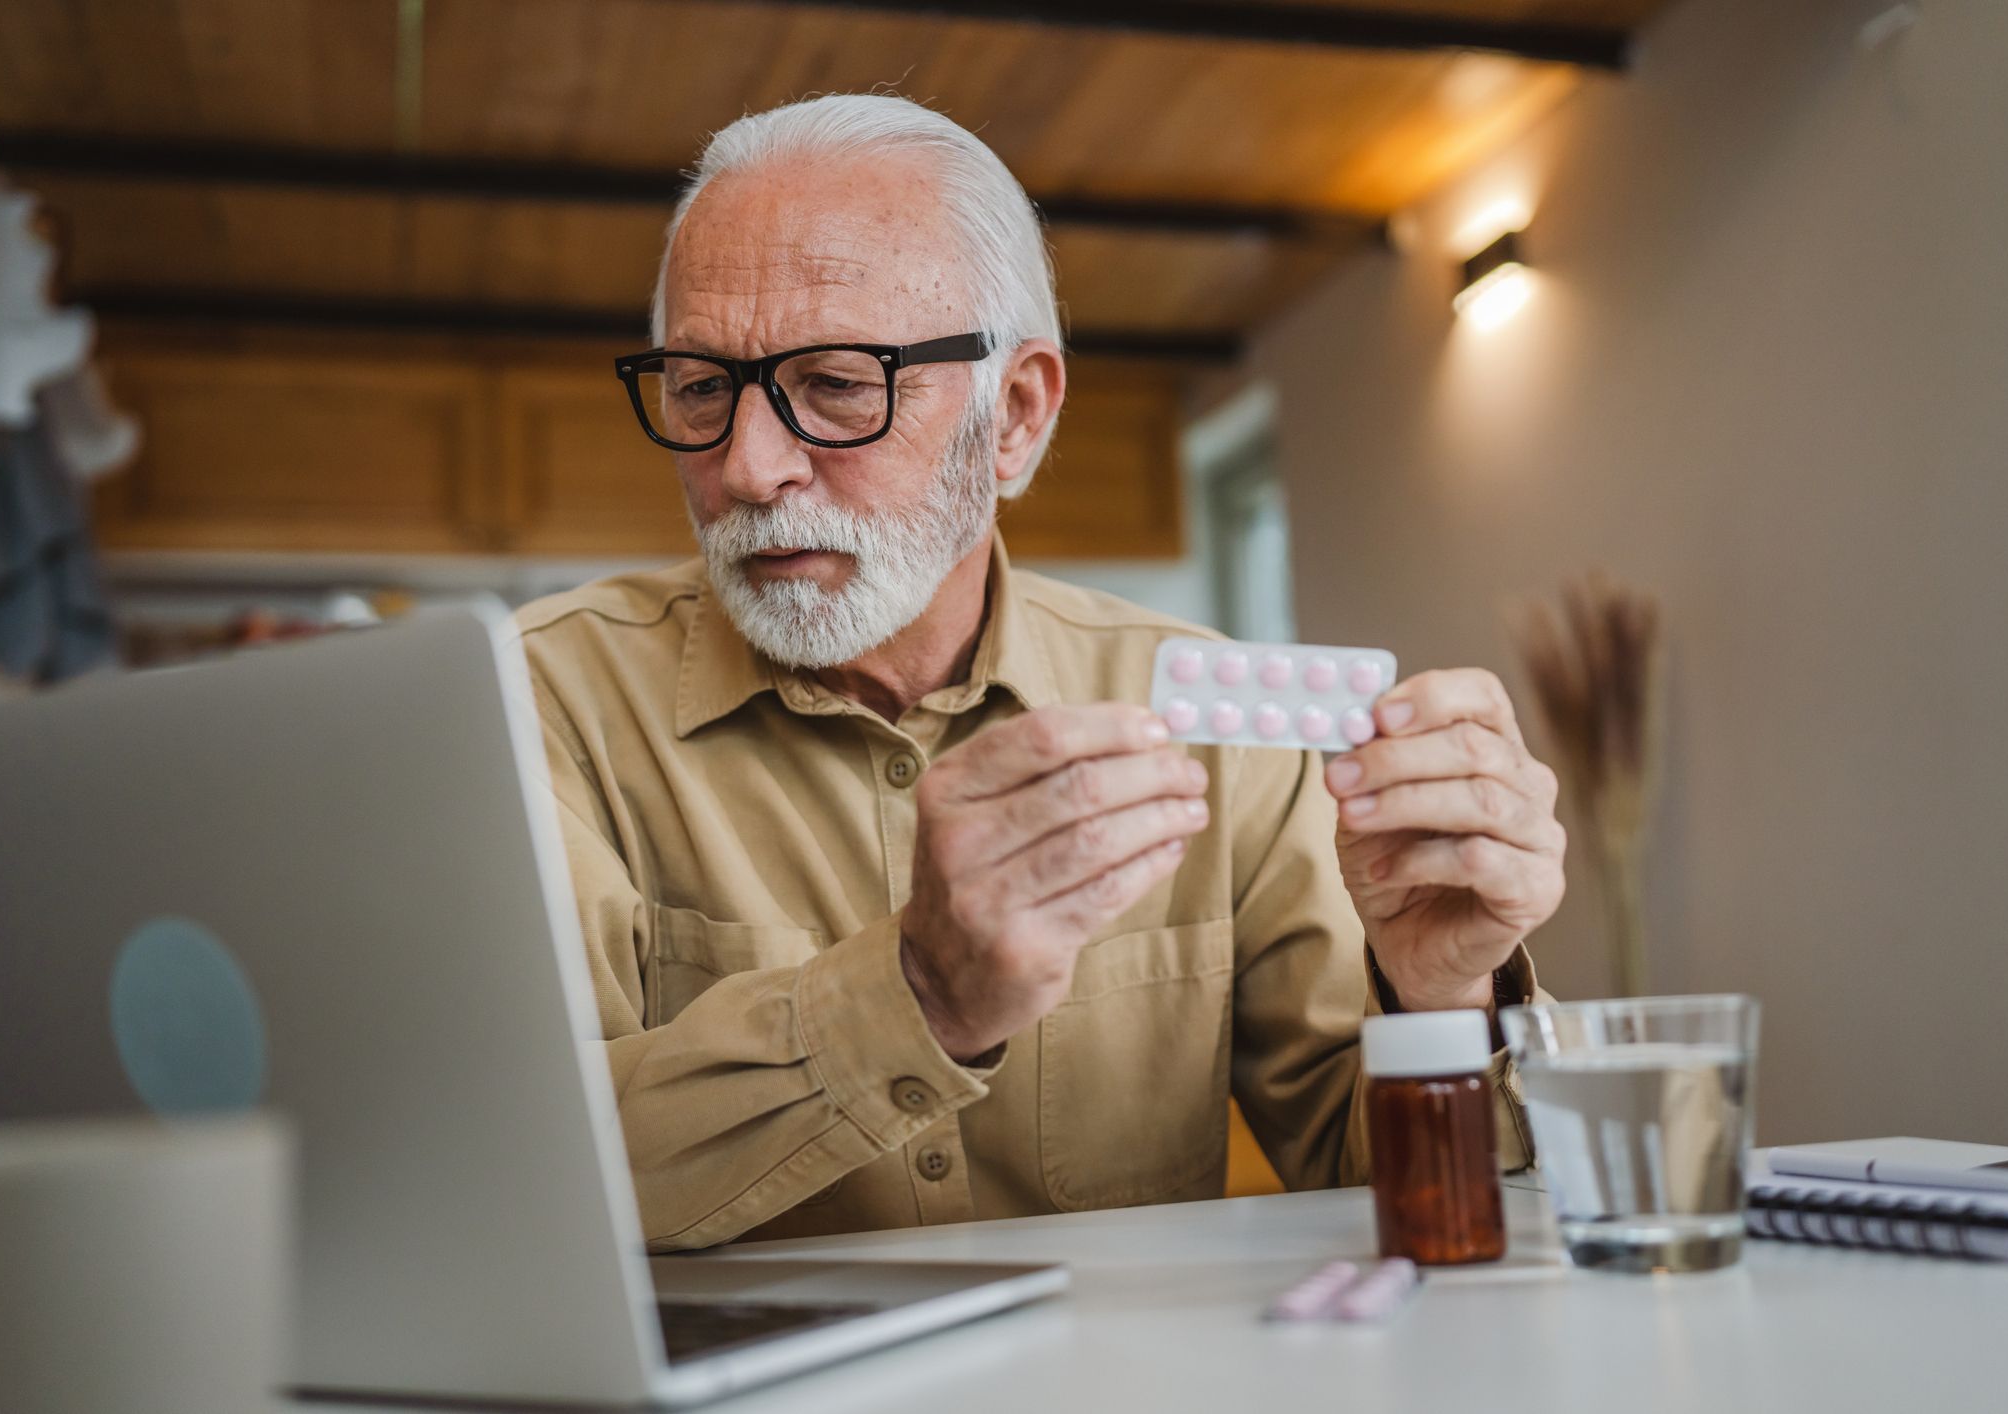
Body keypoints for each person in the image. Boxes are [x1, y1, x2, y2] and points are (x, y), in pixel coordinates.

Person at [518, 94, 1568, 1253]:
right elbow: (505, 1181)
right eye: (703, 387)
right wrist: (915, 998)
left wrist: (1443, 1000)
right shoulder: (534, 711)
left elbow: (1391, 1196)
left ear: (1013, 416)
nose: (750, 466)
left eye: (836, 384)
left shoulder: (1226, 730)